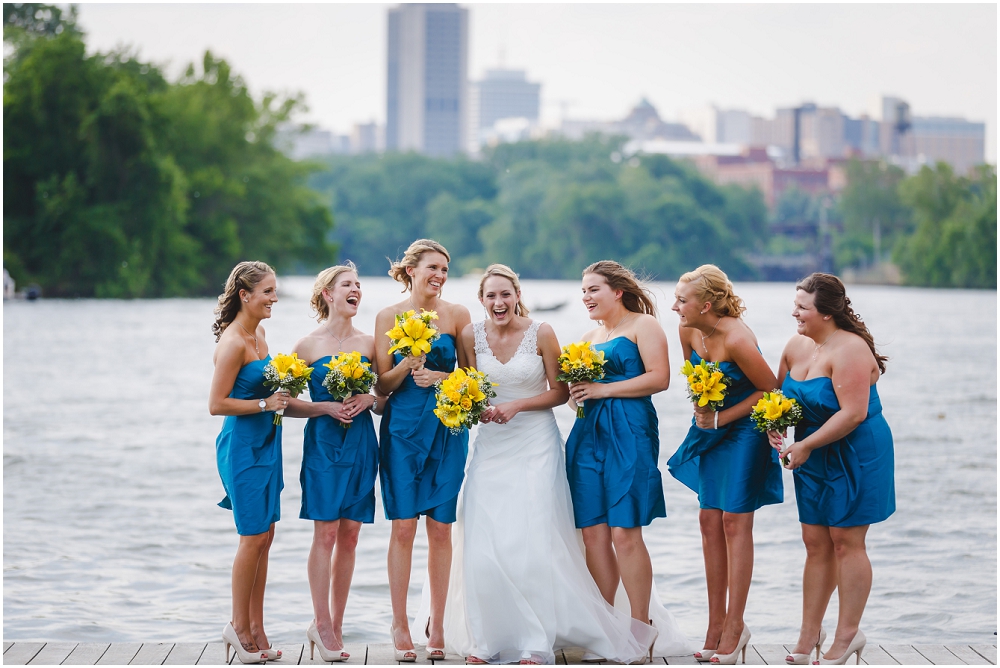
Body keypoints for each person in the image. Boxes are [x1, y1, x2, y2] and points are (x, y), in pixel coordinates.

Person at [416, 264, 667, 665]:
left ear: (517, 295)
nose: (499, 302)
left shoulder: (544, 332)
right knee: (482, 540)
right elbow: (468, 384)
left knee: (536, 541)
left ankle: (538, 640)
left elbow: (558, 392)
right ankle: (485, 640)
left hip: (538, 443)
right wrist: (467, 404)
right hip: (492, 446)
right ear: (481, 301)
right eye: (491, 296)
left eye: (505, 294)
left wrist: (518, 405)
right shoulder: (469, 335)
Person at [564, 260, 691, 660]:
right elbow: (582, 391)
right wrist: (578, 395)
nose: (586, 297)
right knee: (593, 534)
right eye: (583, 290)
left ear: (617, 291)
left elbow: (659, 378)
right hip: (588, 435)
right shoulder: (589, 335)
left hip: (630, 433)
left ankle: (641, 627)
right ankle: (606, 626)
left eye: (593, 289)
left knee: (625, 531)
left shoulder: (643, 326)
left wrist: (602, 390)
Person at [771, 273, 894, 666]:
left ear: (825, 312)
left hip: (855, 451)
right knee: (815, 543)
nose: (795, 312)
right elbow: (778, 397)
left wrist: (804, 444)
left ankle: (847, 635)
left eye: (802, 307)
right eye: (795, 305)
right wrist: (774, 424)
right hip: (812, 453)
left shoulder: (851, 350)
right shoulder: (795, 346)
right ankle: (808, 637)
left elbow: (854, 413)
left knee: (846, 542)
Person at [666, 265, 782, 665]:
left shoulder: (736, 337)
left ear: (707, 304)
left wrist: (722, 418)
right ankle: (714, 625)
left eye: (682, 300)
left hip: (745, 432)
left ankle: (736, 625)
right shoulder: (687, 330)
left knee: (735, 520)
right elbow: (693, 377)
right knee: (708, 520)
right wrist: (703, 410)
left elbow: (772, 389)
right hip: (712, 427)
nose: (674, 306)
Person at [374, 239, 472, 662]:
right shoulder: (386, 316)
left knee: (441, 528)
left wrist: (441, 376)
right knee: (403, 527)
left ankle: (438, 623)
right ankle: (399, 623)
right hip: (401, 431)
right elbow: (381, 386)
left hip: (447, 429)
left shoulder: (458, 315)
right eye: (433, 267)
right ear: (411, 270)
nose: (440, 275)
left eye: (445, 269)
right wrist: (406, 363)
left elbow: (473, 377)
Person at [283, 262, 378, 662]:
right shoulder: (306, 346)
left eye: (358, 285)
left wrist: (371, 398)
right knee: (325, 533)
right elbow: (283, 402)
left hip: (360, 443)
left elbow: (388, 397)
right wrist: (322, 406)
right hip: (323, 445)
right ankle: (320, 624)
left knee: (351, 535)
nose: (355, 290)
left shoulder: (372, 344)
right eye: (346, 285)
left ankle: (336, 624)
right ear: (328, 294)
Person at [208, 261, 287, 664]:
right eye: (268, 292)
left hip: (268, 443)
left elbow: (270, 394)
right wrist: (264, 403)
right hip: (241, 445)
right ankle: (237, 628)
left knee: (267, 536)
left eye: (275, 291)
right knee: (252, 536)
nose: (275, 298)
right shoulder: (234, 341)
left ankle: (257, 628)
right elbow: (216, 403)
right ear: (245, 295)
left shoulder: (260, 335)